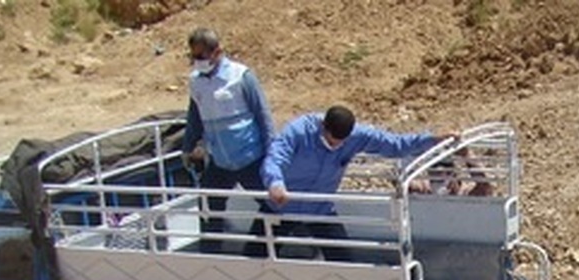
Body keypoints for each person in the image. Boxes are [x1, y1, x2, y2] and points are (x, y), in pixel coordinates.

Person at [261, 105, 452, 261]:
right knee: (255, 257)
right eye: (331, 141)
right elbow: (275, 158)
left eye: (341, 143)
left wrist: (432, 140)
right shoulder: (298, 131)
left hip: (320, 209)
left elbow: (394, 144)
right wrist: (275, 183)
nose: (335, 147)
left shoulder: (357, 136)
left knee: (345, 260)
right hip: (282, 206)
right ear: (323, 127)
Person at [181, 27, 275, 255]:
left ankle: (261, 251)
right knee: (208, 206)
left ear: (217, 52)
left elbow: (263, 115)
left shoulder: (241, 77)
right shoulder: (196, 82)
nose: (197, 61)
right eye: (193, 57)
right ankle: (210, 254)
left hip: (250, 157)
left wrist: (272, 153)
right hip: (220, 161)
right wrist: (187, 147)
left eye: (201, 56)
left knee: (272, 204)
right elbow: (195, 116)